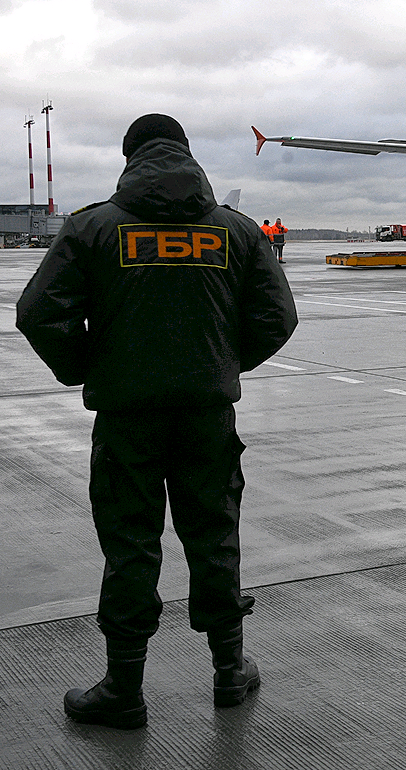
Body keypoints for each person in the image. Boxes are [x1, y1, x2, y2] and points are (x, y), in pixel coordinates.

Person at [15, 114, 298, 730]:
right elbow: (279, 317)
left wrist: (90, 368)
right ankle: (228, 671)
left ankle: (124, 687)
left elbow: (38, 311)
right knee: (215, 534)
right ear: (186, 156)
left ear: (129, 158)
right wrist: (221, 362)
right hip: (206, 415)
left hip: (127, 418)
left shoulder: (93, 228)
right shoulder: (237, 231)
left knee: (130, 545)